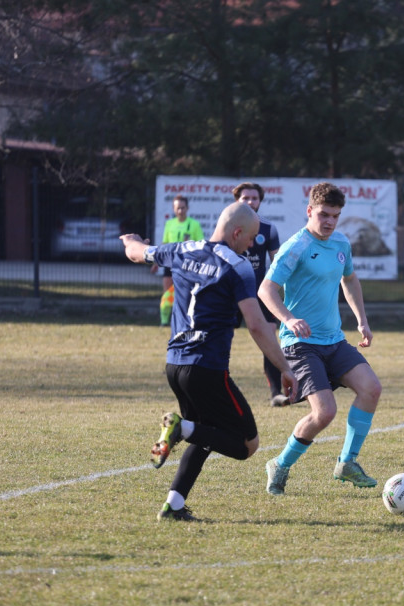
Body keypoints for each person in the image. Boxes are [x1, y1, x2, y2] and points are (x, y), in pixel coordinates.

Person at [121, 201, 296, 521]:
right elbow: (257, 324)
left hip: (174, 365)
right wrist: (284, 367)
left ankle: (173, 506)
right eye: (251, 238)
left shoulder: (182, 250)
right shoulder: (238, 266)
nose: (251, 245)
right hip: (207, 368)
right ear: (238, 232)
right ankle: (180, 428)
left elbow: (137, 252)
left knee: (205, 433)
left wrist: (131, 241)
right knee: (246, 445)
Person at [258, 182, 382, 495]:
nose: (329, 221)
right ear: (309, 210)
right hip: (300, 344)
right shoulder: (295, 246)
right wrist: (288, 318)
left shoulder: (340, 242)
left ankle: (347, 463)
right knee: (324, 413)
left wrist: (362, 321)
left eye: (335, 216)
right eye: (324, 214)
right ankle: (281, 464)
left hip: (334, 340)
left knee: (371, 388)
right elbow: (266, 290)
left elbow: (350, 280)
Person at [232, 182, 286, 407]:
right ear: (237, 200)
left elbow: (276, 264)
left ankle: (276, 393)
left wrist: (277, 292)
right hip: (231, 291)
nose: (250, 202)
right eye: (245, 198)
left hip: (258, 294)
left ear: (260, 201)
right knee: (219, 338)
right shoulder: (227, 226)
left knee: (269, 340)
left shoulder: (268, 229)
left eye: (254, 198)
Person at [154, 195, 204, 326]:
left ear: (187, 208)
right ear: (173, 209)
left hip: (187, 264)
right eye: (178, 208)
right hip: (170, 262)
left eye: (183, 208)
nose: (180, 211)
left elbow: (200, 244)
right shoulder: (170, 224)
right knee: (167, 293)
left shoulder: (194, 224)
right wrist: (156, 261)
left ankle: (185, 321)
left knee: (186, 294)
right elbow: (165, 243)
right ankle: (164, 321)